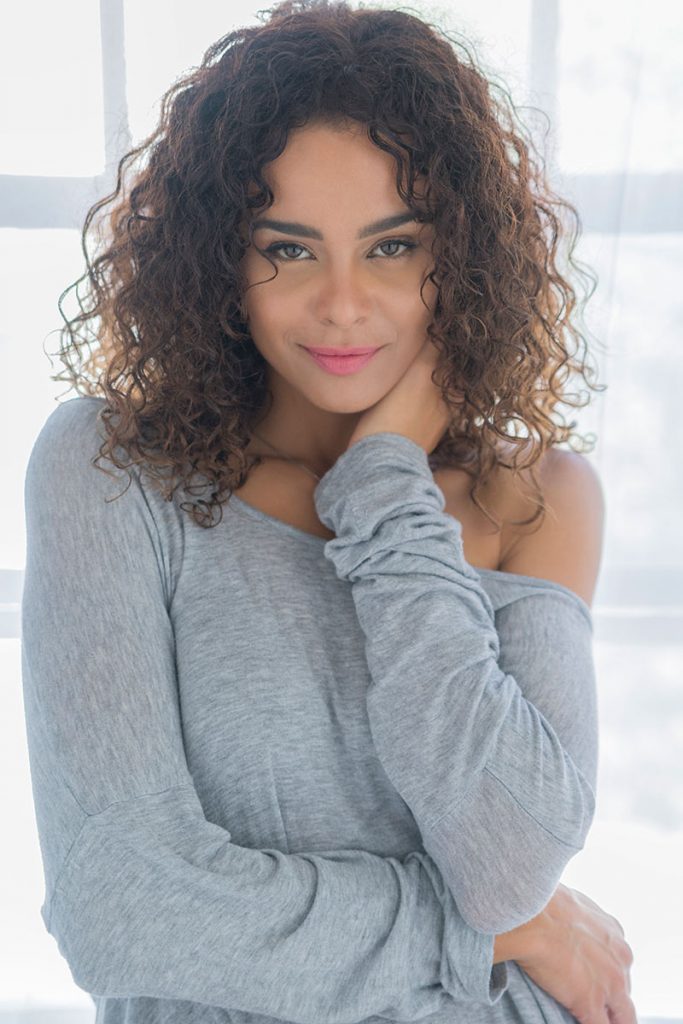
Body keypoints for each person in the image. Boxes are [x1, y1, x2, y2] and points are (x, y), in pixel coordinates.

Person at [21, 1, 636, 1023]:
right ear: (222, 257)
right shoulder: (113, 469)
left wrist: (386, 485)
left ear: (460, 256)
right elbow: (119, 905)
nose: (343, 306)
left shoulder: (535, 500)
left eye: (391, 248)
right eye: (290, 250)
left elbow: (509, 865)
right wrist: (476, 935)